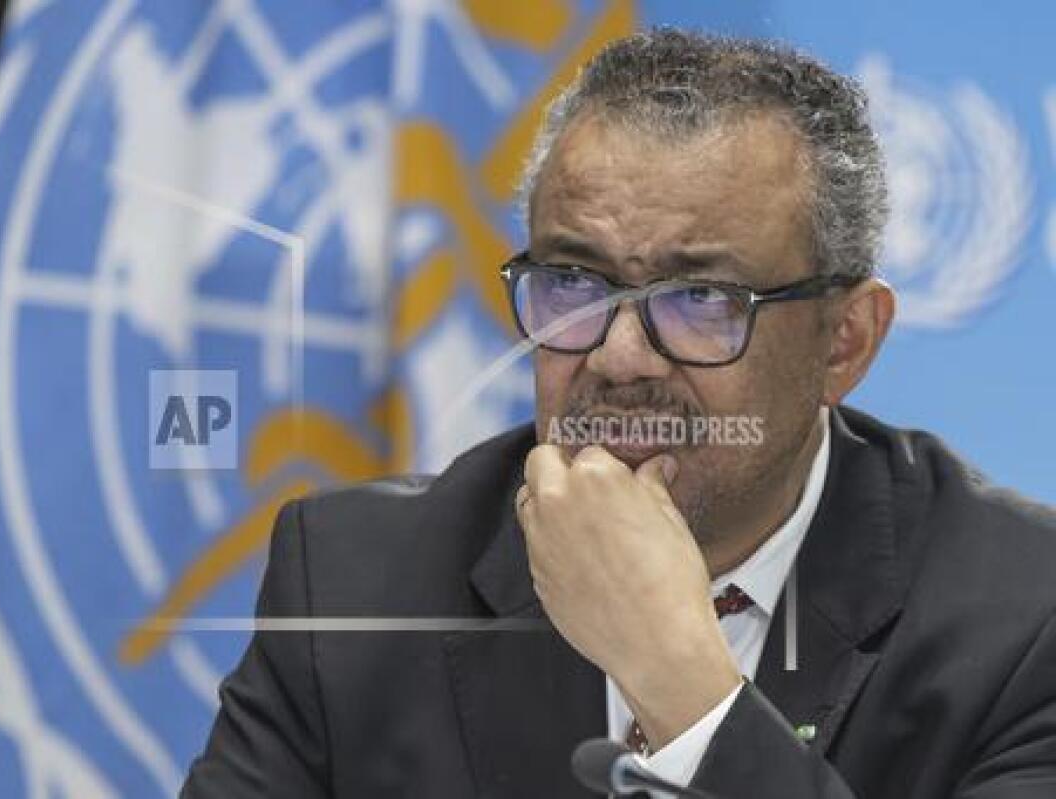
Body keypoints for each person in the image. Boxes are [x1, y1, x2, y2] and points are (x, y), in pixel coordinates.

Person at [182, 28, 1056, 798]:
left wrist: (683, 686)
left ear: (844, 342)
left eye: (702, 298)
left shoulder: (1023, 622)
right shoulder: (353, 586)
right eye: (571, 283)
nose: (617, 357)